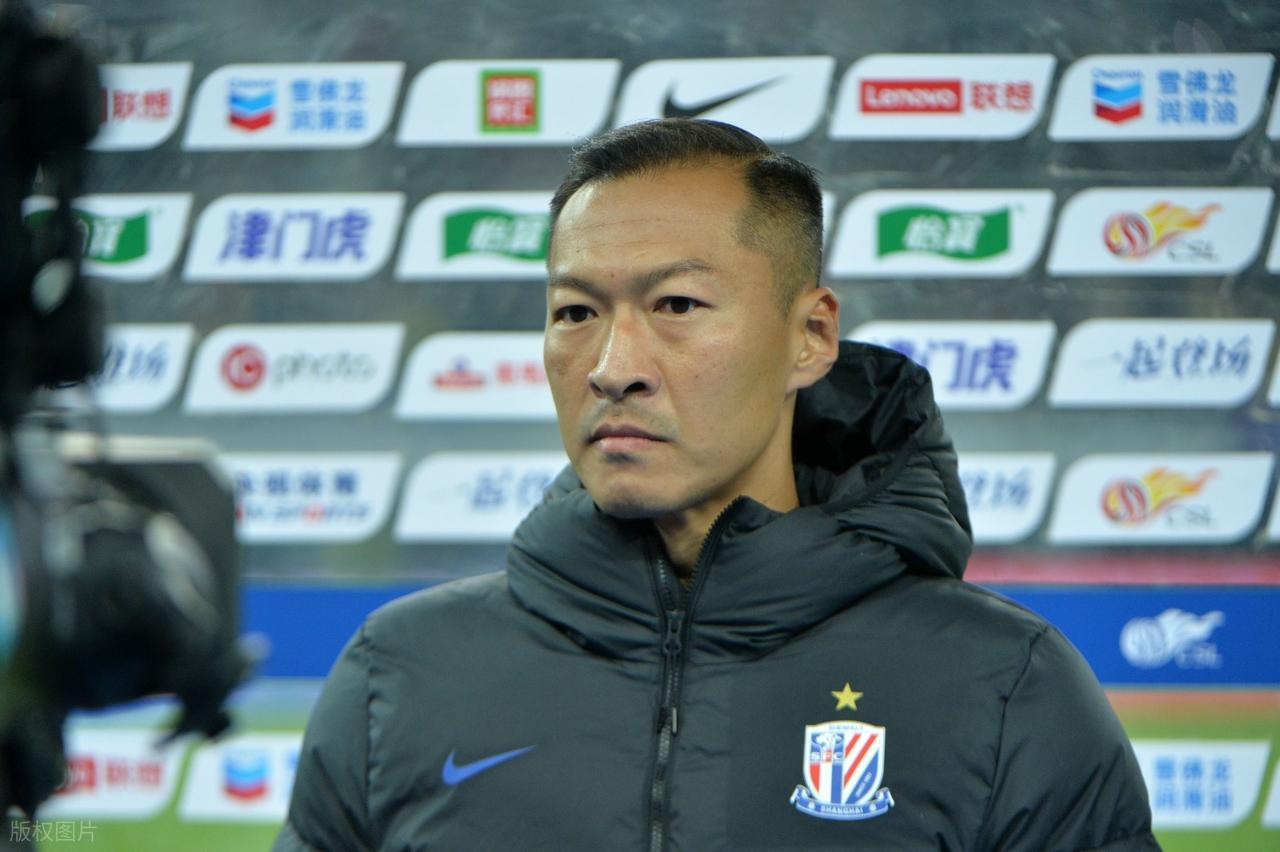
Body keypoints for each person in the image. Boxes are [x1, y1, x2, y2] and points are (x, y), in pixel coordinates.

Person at [276, 118, 1159, 851]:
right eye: (575, 312)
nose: (613, 366)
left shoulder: (1004, 685)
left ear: (811, 337)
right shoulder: (399, 673)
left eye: (677, 305)